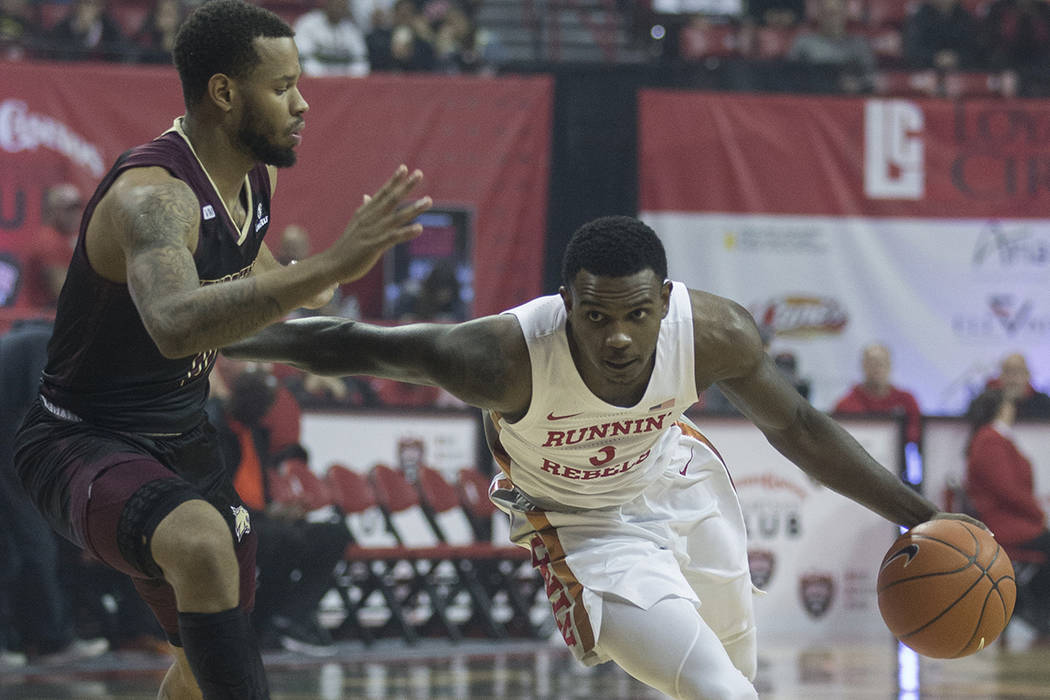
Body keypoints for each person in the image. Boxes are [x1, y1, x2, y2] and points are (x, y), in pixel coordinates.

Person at [224, 215, 977, 700]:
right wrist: (203, 332)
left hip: (679, 482)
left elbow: (804, 430)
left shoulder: (716, 333)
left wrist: (926, 519)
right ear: (565, 304)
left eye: (637, 315)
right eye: (597, 316)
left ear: (666, 301)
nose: (618, 336)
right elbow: (345, 344)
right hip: (584, 529)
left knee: (738, 674)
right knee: (721, 690)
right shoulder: (503, 357)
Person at [10, 0, 430, 696]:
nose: (302, 104)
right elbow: (175, 321)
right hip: (81, 438)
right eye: (283, 85)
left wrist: (414, 347)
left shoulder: (249, 185)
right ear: (225, 92)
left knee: (202, 666)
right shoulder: (154, 197)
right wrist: (330, 266)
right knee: (204, 545)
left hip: (182, 441)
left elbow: (283, 298)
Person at [208, 362, 351, 656]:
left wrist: (277, 510)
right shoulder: (214, 428)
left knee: (334, 534)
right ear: (239, 398)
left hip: (257, 517)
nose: (263, 411)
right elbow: (214, 493)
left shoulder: (257, 433)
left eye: (265, 405)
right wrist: (266, 515)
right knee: (282, 539)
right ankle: (261, 620)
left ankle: (291, 617)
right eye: (259, 403)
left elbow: (257, 492)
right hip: (224, 518)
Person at [0, 319, 109, 666]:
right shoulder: (47, 346)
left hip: (12, 435)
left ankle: (29, 640)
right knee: (34, 543)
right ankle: (50, 642)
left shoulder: (34, 341)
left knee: (16, 546)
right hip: (10, 436)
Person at [965, 388, 1050, 636]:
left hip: (1012, 520)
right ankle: (1034, 608)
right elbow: (1007, 489)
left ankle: (1032, 606)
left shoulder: (993, 439)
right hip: (1004, 524)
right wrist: (1038, 515)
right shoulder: (990, 440)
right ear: (1002, 408)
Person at [833, 343, 922, 445]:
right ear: (863, 366)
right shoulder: (845, 405)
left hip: (895, 459)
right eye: (872, 363)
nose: (877, 369)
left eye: (882, 363)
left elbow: (918, 436)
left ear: (890, 366)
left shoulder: (907, 400)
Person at [787, 0, 876, 92]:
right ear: (819, 14)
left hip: (847, 99)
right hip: (812, 98)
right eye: (827, 13)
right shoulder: (804, 43)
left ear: (845, 13)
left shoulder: (859, 44)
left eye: (836, 13)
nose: (831, 18)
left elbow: (872, 77)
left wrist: (858, 84)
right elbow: (789, 76)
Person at [22, 184, 82, 309]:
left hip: (53, 316)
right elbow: (63, 291)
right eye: (68, 210)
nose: (75, 215)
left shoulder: (64, 239)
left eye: (77, 208)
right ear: (52, 210)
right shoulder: (49, 241)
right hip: (43, 319)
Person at [293, 0, 370, 77]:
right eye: (336, 4)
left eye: (342, 6)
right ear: (327, 4)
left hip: (346, 82)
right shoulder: (307, 23)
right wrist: (326, 78)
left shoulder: (351, 29)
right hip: (315, 80)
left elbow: (361, 61)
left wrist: (347, 78)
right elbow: (303, 59)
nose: (338, 8)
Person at [902, 0, 978, 71]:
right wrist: (935, 58)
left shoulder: (966, 19)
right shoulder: (919, 19)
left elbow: (973, 49)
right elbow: (912, 50)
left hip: (961, 70)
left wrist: (956, 58)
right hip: (925, 71)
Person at [971, 352, 1050, 420]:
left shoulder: (1043, 403)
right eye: (1008, 372)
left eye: (1018, 372)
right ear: (1000, 376)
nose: (1012, 379)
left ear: (1027, 376)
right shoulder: (985, 402)